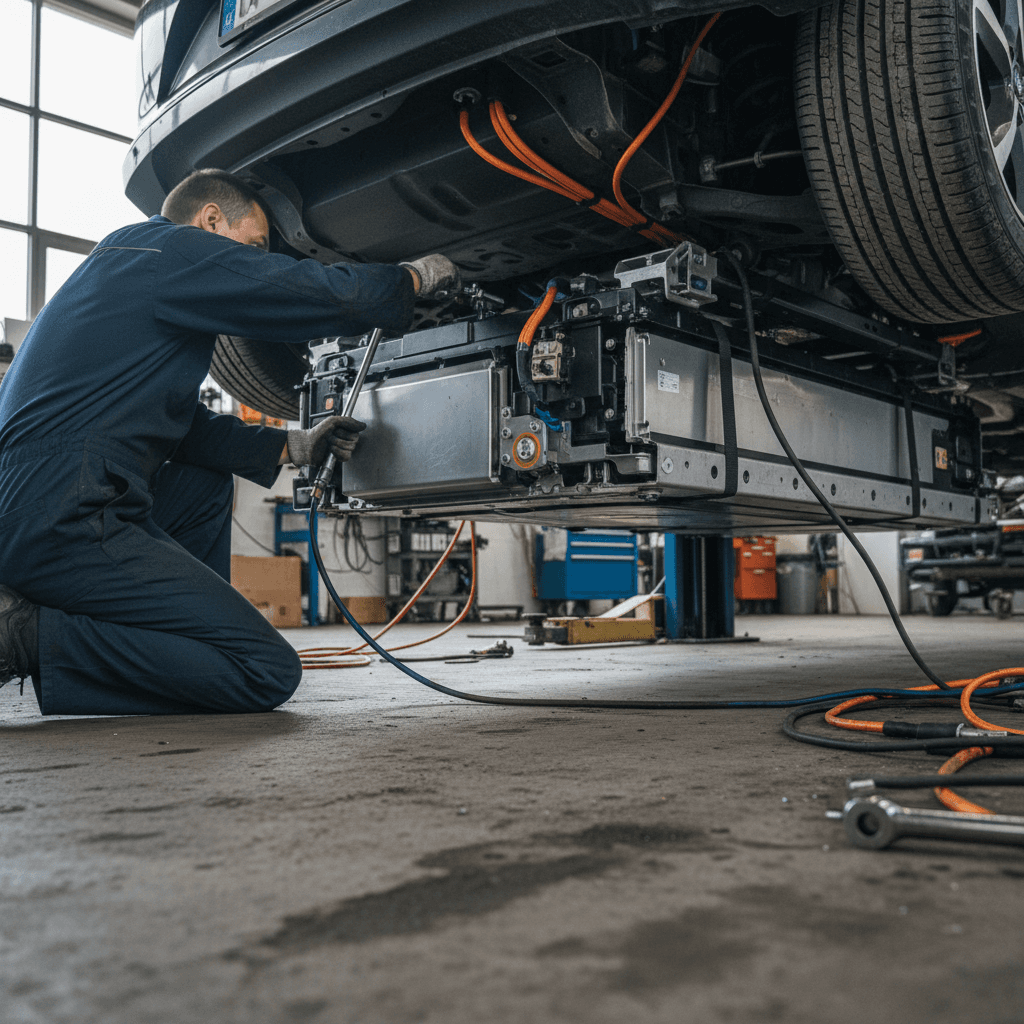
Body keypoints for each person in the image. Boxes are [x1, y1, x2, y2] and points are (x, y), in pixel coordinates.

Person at [0, 168, 459, 716]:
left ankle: (168, 641)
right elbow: (297, 289)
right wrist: (407, 280)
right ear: (210, 220)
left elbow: (184, 427)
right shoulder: (169, 250)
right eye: (256, 245)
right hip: (66, 512)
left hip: (42, 504)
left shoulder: (128, 268)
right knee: (263, 672)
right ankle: (19, 637)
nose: (258, 260)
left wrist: (293, 445)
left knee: (203, 485)